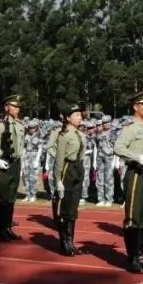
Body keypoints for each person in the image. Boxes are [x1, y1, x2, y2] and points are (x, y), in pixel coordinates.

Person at [112, 90, 143, 274]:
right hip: (135, 173)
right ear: (136, 106)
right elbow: (118, 148)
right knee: (133, 217)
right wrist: (137, 157)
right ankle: (132, 257)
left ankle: (141, 255)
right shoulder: (130, 128)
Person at [0, 96, 25, 241]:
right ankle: (1, 229)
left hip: (15, 164)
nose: (17, 109)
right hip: (4, 163)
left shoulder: (20, 125)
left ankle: (8, 228)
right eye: (14, 106)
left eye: (18, 107)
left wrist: (21, 160)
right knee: (2, 198)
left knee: (11, 198)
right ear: (6, 107)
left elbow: (20, 146)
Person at [53, 102, 87, 256]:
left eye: (80, 115)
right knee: (65, 207)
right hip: (67, 169)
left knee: (73, 208)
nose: (80, 117)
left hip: (78, 169)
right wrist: (58, 180)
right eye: (76, 115)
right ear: (68, 118)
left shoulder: (81, 134)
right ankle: (64, 242)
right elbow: (59, 159)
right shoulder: (64, 135)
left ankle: (71, 242)